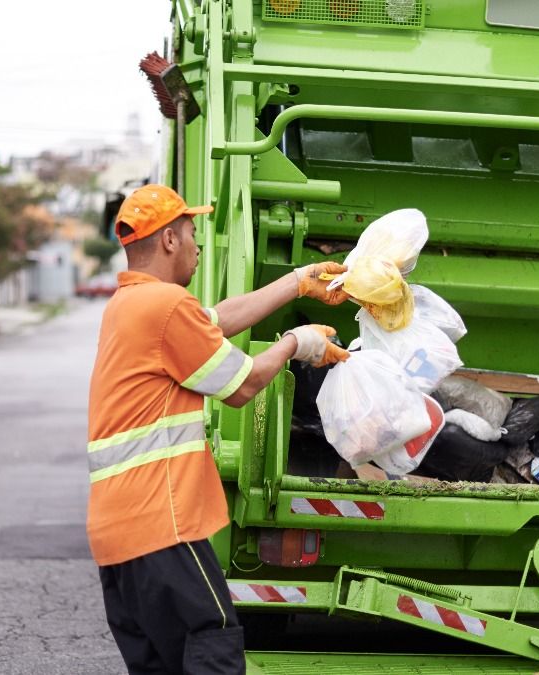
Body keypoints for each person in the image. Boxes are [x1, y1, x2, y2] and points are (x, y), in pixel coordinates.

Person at [87, 184, 350, 674]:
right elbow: (244, 384)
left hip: (119, 538)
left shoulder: (130, 306)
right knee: (213, 649)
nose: (197, 245)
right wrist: (298, 342)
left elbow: (216, 321)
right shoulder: (165, 306)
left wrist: (296, 281)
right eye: (191, 233)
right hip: (161, 525)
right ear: (168, 241)